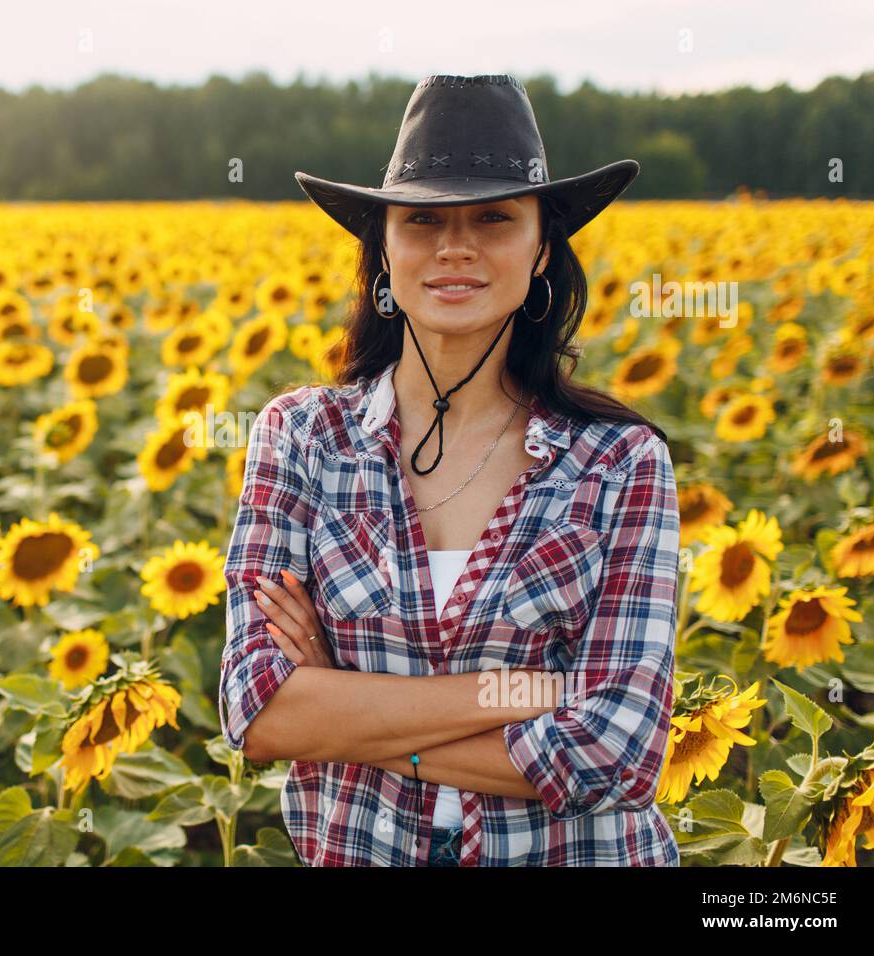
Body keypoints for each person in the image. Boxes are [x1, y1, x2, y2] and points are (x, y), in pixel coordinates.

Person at [218, 73, 681, 866]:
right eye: (423, 220)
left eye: (494, 218)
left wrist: (342, 706)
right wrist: (536, 692)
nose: (455, 246)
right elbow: (256, 712)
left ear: (541, 252)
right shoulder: (301, 438)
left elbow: (617, 751)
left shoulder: (620, 463)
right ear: (383, 253)